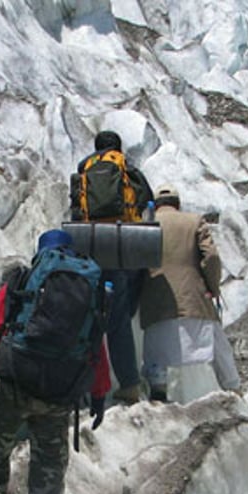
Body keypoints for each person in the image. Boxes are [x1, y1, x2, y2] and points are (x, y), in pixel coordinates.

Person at [0, 229, 111, 494]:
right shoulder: (89, 291)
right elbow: (96, 347)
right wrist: (98, 392)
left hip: (16, 382)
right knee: (48, 469)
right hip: (58, 393)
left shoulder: (25, 282)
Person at [138, 184, 240, 401]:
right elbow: (210, 257)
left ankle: (158, 394)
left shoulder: (144, 225)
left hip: (155, 298)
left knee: (157, 350)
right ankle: (233, 391)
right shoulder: (194, 221)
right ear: (177, 204)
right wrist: (212, 286)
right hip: (193, 296)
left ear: (156, 205)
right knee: (217, 346)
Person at [73, 130, 153, 404]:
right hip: (121, 246)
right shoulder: (127, 169)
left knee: (86, 319)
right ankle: (129, 384)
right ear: (118, 147)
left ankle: (83, 386)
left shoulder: (84, 169)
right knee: (119, 321)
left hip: (90, 246)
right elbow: (145, 202)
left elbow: (75, 210)